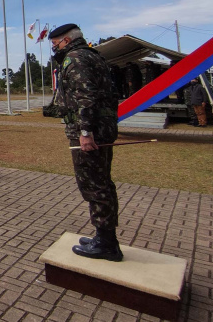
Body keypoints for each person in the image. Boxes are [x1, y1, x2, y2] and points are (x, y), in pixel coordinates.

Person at [47, 24, 122, 261]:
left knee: (94, 185)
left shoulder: (76, 59)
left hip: (91, 131)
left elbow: (86, 97)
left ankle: (106, 244)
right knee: (101, 182)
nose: (54, 48)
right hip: (102, 127)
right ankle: (104, 237)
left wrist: (86, 131)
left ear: (67, 41)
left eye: (55, 43)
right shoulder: (92, 55)